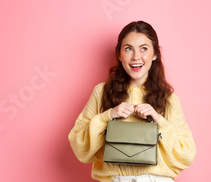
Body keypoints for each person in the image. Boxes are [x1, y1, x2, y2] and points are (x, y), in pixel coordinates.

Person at [68, 20, 196, 182]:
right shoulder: (102, 92)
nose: (136, 57)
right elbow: (79, 146)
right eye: (128, 49)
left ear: (155, 54)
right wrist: (107, 116)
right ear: (119, 55)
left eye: (144, 49)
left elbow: (186, 155)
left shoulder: (169, 99)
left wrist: (159, 120)